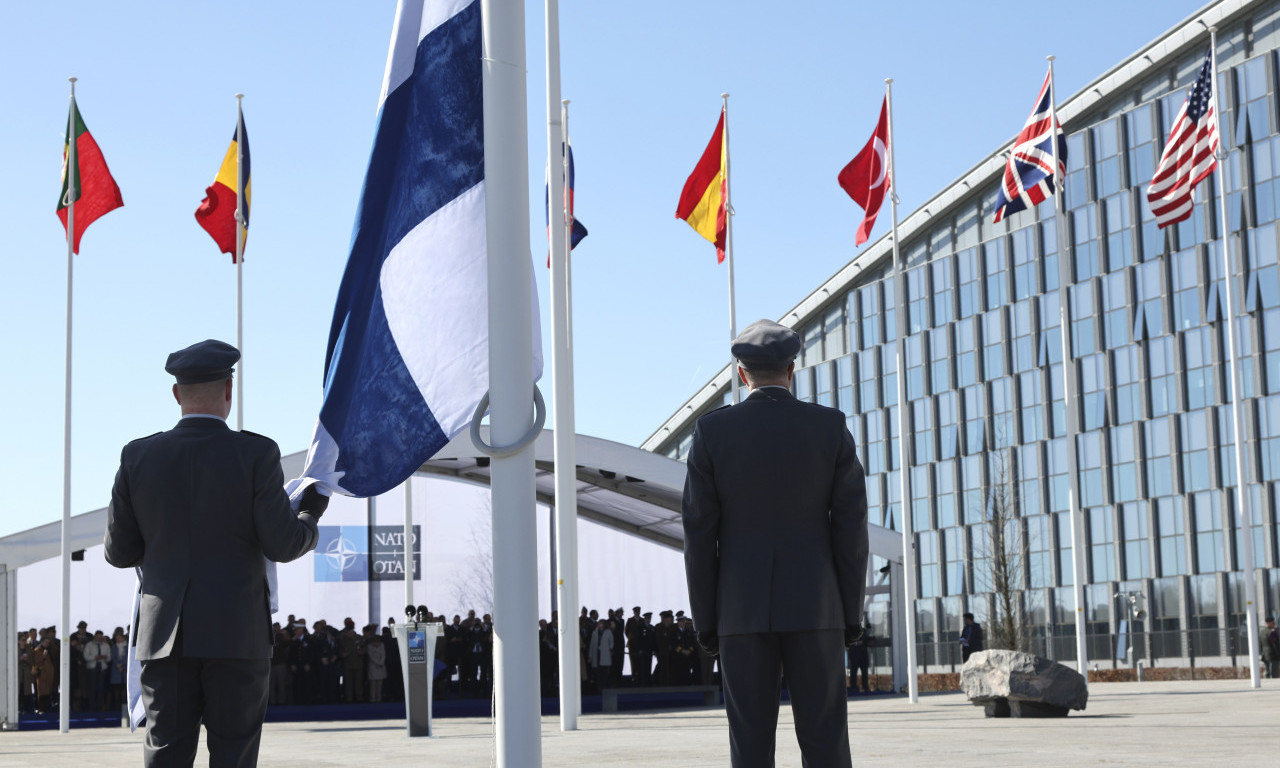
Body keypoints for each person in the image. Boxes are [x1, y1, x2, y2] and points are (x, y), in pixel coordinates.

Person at [103, 339, 327, 767]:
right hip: (236, 634)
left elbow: (118, 552)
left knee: (166, 753)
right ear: (229, 391)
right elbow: (283, 543)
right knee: (234, 755)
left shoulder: (137, 455)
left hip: (163, 636)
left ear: (176, 395)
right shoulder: (255, 453)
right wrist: (310, 518)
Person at [682, 319, 869, 768]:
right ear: (791, 369)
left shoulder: (712, 433)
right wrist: (848, 613)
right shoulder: (829, 428)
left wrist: (708, 620)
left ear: (742, 375)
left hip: (740, 614)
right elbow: (851, 529)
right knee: (826, 742)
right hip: (816, 610)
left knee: (749, 747)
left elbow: (699, 536)